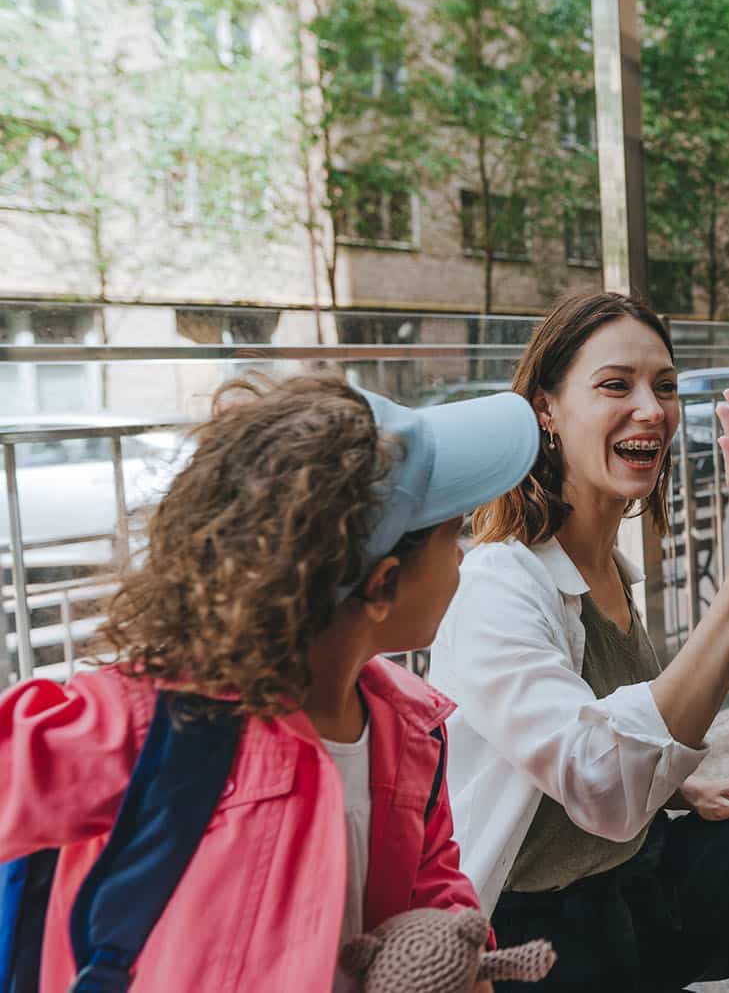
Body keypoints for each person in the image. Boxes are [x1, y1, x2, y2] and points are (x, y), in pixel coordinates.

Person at [428, 291, 729, 993]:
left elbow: (591, 736)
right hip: (534, 933)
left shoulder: (611, 569)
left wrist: (679, 788)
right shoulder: (498, 582)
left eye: (664, 386)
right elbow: (592, 775)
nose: (651, 409)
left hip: (632, 885)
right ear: (546, 409)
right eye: (615, 385)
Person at [0, 373, 539, 992]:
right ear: (383, 584)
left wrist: (459, 952)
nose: (464, 556)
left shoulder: (413, 731)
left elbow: (433, 884)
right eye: (453, 536)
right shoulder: (150, 723)